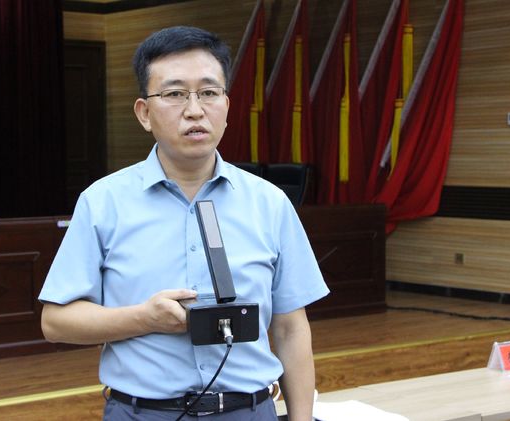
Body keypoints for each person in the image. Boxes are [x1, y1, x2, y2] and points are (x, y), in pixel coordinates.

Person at [39, 26, 329, 421]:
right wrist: (144, 318)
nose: (195, 110)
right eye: (175, 94)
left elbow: (291, 328)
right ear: (144, 113)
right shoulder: (103, 202)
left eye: (208, 93)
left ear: (226, 105)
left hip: (248, 411)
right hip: (142, 413)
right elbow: (56, 322)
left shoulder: (270, 203)